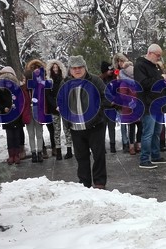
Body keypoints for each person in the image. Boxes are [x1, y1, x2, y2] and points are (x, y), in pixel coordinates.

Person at [65, 55, 109, 189]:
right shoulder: (65, 83)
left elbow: (106, 98)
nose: (77, 70)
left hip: (95, 125)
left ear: (85, 68)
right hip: (76, 127)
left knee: (98, 155)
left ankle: (99, 181)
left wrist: (97, 112)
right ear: (70, 70)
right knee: (81, 156)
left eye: (80, 67)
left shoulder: (95, 80)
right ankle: (84, 182)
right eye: (74, 68)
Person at [134, 44, 166, 169]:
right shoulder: (140, 66)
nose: (159, 58)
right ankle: (144, 159)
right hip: (148, 104)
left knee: (157, 132)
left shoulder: (156, 66)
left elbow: (159, 84)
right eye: (158, 55)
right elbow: (143, 83)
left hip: (158, 104)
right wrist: (160, 78)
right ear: (150, 53)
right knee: (148, 133)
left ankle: (156, 155)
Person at [0, 66, 28, 165]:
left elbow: (21, 101)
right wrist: (3, 108)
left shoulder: (17, 89)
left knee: (16, 135)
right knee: (9, 136)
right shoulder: (0, 91)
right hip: (7, 116)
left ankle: (17, 154)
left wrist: (17, 108)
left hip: (16, 116)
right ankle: (11, 155)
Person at [23, 59, 48, 163]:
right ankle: (33, 153)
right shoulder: (23, 89)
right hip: (28, 113)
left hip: (38, 112)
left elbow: (44, 101)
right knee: (31, 134)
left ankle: (40, 152)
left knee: (39, 133)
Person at [45, 58, 69, 160]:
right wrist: (56, 106)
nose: (55, 69)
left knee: (67, 129)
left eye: (56, 67)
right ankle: (58, 151)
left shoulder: (64, 80)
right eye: (53, 67)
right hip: (54, 109)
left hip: (64, 107)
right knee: (56, 130)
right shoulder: (48, 81)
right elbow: (48, 96)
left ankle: (69, 150)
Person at [100, 59, 119, 153]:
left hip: (112, 108)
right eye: (109, 70)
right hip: (103, 108)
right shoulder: (100, 81)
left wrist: (115, 101)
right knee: (102, 128)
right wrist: (108, 102)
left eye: (111, 69)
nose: (111, 71)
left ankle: (112, 145)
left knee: (112, 127)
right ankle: (102, 147)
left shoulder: (114, 79)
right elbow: (100, 95)